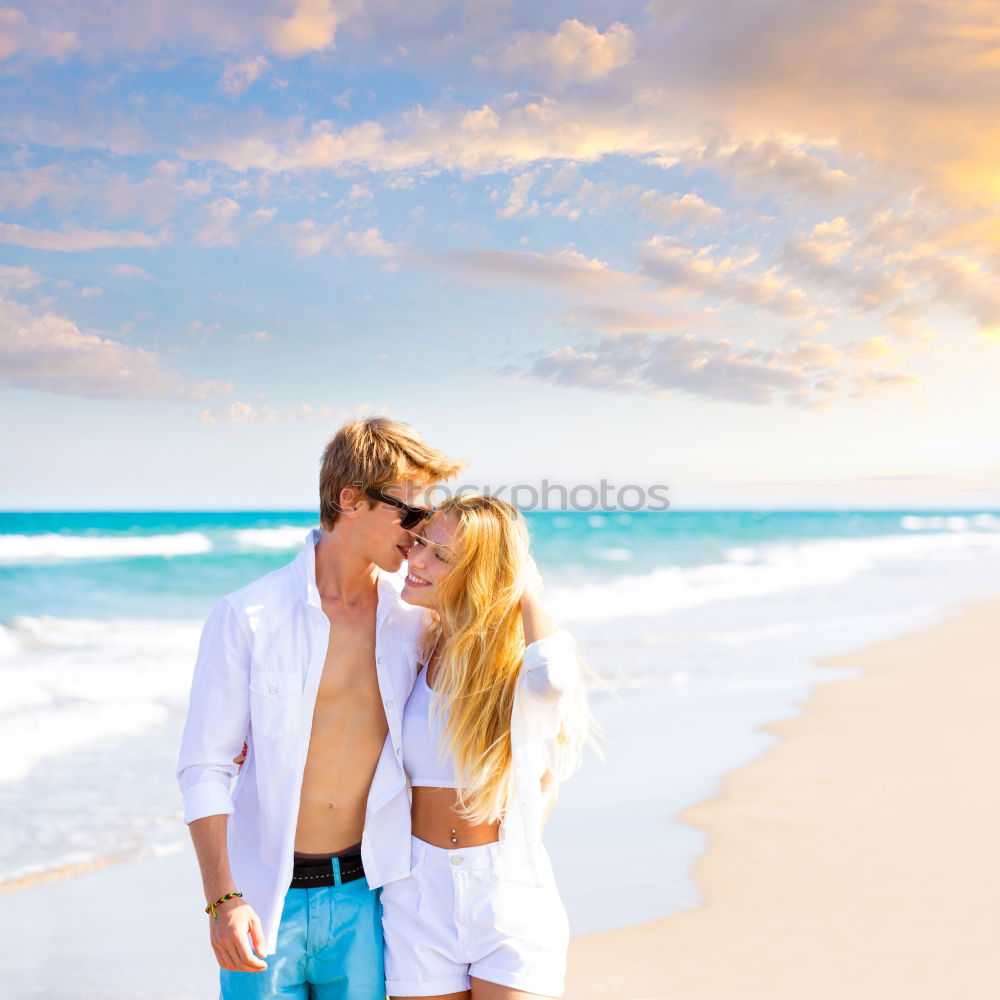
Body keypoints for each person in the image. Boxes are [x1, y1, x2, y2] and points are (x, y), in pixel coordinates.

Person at [176, 417, 463, 999]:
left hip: (370, 894)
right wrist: (223, 899)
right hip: (264, 899)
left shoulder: (417, 622)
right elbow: (204, 767)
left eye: (425, 517)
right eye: (408, 513)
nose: (418, 532)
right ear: (349, 499)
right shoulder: (248, 616)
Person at [382, 494, 594, 1000]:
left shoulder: (516, 664)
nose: (416, 560)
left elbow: (555, 680)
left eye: (442, 557)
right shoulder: (410, 641)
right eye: (420, 545)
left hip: (506, 889)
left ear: (480, 573)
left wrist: (524, 587)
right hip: (415, 891)